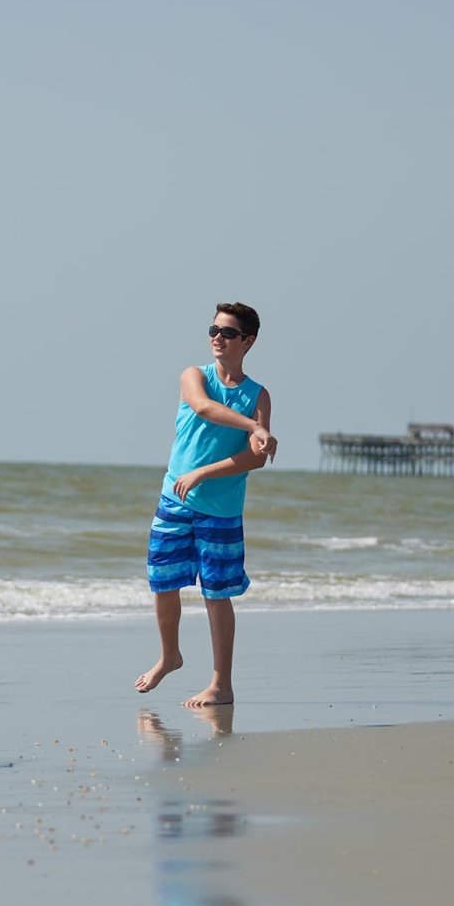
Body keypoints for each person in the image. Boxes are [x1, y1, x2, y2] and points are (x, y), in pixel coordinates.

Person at [135, 302, 274, 708]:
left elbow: (255, 457)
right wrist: (255, 426)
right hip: (173, 501)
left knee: (217, 593)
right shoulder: (193, 375)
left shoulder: (257, 394)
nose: (217, 337)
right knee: (163, 582)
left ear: (247, 341)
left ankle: (221, 685)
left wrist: (204, 472)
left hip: (222, 509)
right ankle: (170, 656)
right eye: (213, 329)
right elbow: (202, 407)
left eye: (227, 332)